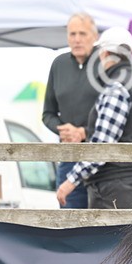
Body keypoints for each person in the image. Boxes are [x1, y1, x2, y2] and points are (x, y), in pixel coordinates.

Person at [55, 27, 132, 209]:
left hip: (113, 185)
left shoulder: (116, 89)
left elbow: (102, 146)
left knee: (103, 237)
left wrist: (70, 181)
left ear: (104, 54)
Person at [43, 13, 100, 209]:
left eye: (82, 33)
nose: (77, 39)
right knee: (70, 222)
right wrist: (62, 130)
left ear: (95, 36)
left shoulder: (105, 63)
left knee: (104, 225)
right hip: (69, 158)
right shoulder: (59, 65)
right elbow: (47, 114)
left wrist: (84, 132)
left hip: (102, 158)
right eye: (72, 34)